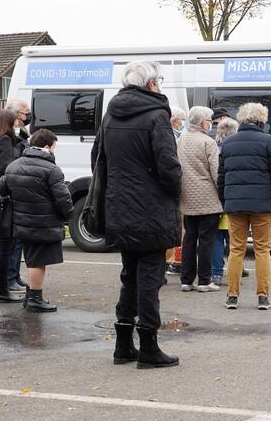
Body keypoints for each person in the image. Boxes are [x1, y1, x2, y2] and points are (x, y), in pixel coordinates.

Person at [92, 60, 181, 369]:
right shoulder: (157, 115)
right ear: (152, 84)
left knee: (129, 275)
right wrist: (173, 192)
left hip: (119, 207)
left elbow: (98, 160)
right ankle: (149, 347)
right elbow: (169, 166)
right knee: (150, 278)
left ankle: (123, 345)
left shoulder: (110, 115)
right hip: (151, 209)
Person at [218, 103, 271, 311]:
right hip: (262, 205)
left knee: (236, 250)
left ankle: (232, 296)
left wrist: (225, 202)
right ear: (261, 120)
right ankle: (262, 296)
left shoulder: (229, 143)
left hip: (235, 205)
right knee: (262, 250)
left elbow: (221, 178)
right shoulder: (268, 141)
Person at [0, 129, 73, 312]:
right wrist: (68, 215)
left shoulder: (14, 165)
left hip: (21, 222)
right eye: (54, 147)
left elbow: (2, 189)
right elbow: (63, 199)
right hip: (44, 224)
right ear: (47, 147)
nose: (54, 151)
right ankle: (35, 299)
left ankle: (31, 297)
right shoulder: (52, 170)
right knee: (37, 262)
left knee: (32, 258)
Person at [178, 106, 222, 293]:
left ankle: (186, 280)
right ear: (203, 122)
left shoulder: (180, 140)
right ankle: (204, 281)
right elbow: (216, 172)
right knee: (206, 240)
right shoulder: (208, 142)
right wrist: (223, 194)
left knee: (189, 238)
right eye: (210, 121)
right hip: (207, 199)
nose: (211, 124)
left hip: (186, 197)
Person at [0, 109, 25, 303]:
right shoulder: (5, 141)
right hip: (7, 199)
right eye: (16, 121)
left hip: (2, 198)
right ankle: (1, 289)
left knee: (6, 245)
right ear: (8, 123)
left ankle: (0, 287)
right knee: (6, 246)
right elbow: (6, 169)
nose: (18, 124)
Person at [212, 118, 244, 286]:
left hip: (216, 198)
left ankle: (216, 273)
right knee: (234, 239)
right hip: (232, 198)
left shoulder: (214, 147)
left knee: (216, 238)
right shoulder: (237, 148)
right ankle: (236, 271)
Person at [4, 98, 32, 292]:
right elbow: (11, 165)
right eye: (24, 113)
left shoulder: (20, 135)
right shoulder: (6, 138)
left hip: (19, 192)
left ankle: (14, 275)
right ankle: (8, 278)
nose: (27, 116)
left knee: (18, 239)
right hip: (11, 194)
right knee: (12, 239)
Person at [165, 106, 187, 275]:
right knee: (176, 226)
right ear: (174, 121)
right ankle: (170, 261)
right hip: (174, 187)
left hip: (177, 186)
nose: (183, 123)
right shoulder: (170, 136)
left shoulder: (178, 135)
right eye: (182, 120)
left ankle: (174, 260)